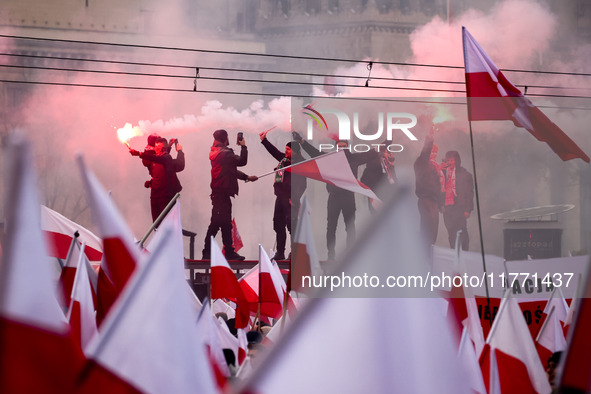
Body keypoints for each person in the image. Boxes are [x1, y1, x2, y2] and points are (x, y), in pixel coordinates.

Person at [297, 133, 375, 260]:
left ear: (348, 147)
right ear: (336, 148)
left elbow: (371, 153)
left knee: (350, 226)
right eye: (339, 147)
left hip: (348, 197)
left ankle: (351, 254)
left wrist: (388, 141)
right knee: (331, 226)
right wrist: (301, 141)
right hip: (334, 197)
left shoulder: (354, 159)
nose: (342, 149)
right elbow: (314, 153)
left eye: (344, 146)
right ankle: (330, 255)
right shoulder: (330, 158)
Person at [201, 129, 257, 261]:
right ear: (225, 138)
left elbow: (230, 171)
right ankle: (208, 252)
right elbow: (242, 161)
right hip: (222, 193)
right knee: (216, 224)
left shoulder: (215, 152)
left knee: (225, 223)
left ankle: (227, 251)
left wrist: (246, 177)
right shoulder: (226, 153)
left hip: (219, 193)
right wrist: (243, 146)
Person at [260, 130, 306, 261]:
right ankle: (280, 252)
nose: (286, 152)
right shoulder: (284, 161)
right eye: (285, 149)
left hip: (291, 200)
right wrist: (264, 140)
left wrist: (294, 198)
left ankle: (294, 253)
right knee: (278, 224)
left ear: (295, 152)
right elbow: (274, 152)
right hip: (280, 199)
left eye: (288, 150)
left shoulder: (300, 164)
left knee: (292, 227)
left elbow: (303, 184)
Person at [130, 137, 185, 222]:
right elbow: (158, 166)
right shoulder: (157, 159)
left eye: (159, 148)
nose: (156, 150)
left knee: (166, 223)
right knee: (156, 223)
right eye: (156, 147)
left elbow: (162, 159)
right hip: (154, 196)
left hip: (165, 197)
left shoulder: (166, 158)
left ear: (163, 149)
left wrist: (139, 153)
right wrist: (151, 182)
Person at [414, 128, 444, 246]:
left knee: (433, 231)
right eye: (433, 152)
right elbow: (425, 152)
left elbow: (438, 187)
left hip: (434, 202)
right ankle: (424, 252)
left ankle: (430, 252)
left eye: (436, 152)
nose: (434, 155)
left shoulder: (435, 167)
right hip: (425, 200)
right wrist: (430, 136)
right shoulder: (421, 163)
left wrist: (441, 204)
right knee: (427, 230)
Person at [440, 150, 474, 250]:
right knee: (451, 233)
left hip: (460, 207)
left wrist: (468, 209)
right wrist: (441, 205)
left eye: (452, 160)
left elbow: (469, 193)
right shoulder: (443, 173)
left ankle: (465, 252)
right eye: (448, 160)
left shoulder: (465, 174)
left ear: (457, 160)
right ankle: (453, 253)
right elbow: (439, 189)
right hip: (447, 208)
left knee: (462, 231)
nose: (450, 162)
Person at [360, 142, 396, 212]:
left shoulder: (389, 167)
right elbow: (364, 182)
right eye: (388, 153)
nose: (390, 155)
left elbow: (395, 182)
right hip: (377, 199)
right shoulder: (373, 167)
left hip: (386, 199)